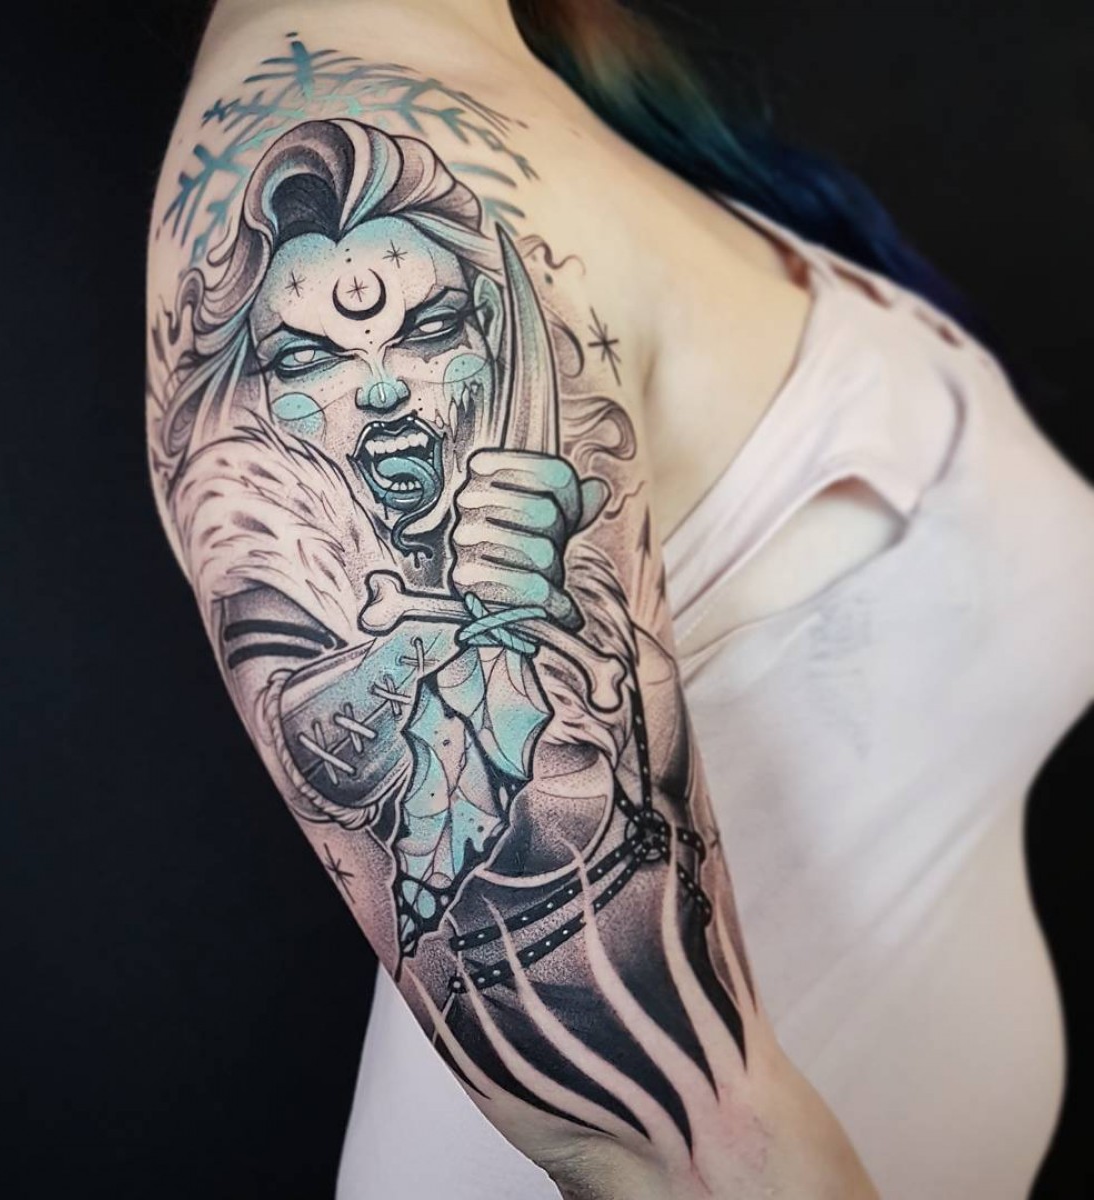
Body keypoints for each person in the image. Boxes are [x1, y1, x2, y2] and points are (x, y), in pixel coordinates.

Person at [146, 2, 1093, 1196]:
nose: (382, 389)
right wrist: (476, 644)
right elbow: (677, 1142)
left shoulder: (534, 100)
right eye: (316, 358)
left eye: (429, 331)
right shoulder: (354, 112)